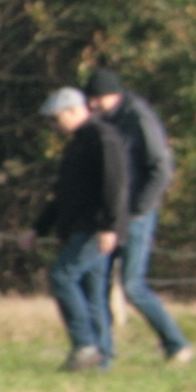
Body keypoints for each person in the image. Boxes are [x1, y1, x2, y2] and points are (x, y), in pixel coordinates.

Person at [86, 67, 189, 364]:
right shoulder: (103, 118)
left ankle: (175, 343)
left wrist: (138, 210)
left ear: (115, 94)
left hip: (136, 215)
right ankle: (103, 354)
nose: (93, 104)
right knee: (97, 282)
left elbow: (161, 168)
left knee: (132, 285)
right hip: (109, 215)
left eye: (98, 98)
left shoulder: (139, 117)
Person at [34, 86, 130, 373]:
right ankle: (103, 358)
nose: (52, 126)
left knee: (62, 276)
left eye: (55, 119)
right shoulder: (78, 142)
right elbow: (63, 193)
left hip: (95, 229)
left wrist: (109, 226)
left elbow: (115, 186)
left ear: (74, 111)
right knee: (93, 293)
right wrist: (38, 228)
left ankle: (85, 346)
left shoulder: (103, 138)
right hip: (81, 226)